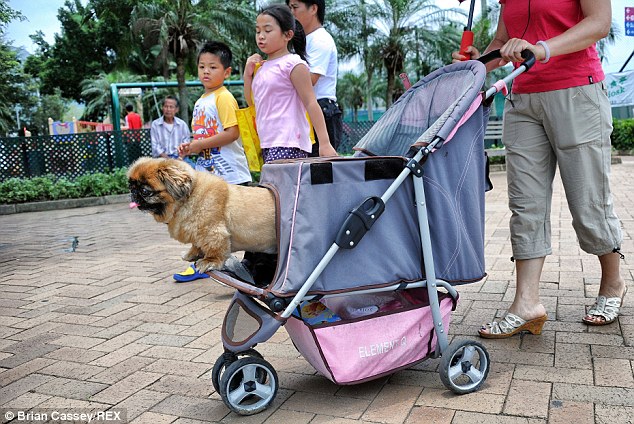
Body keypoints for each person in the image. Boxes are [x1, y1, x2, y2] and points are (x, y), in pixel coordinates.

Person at [452, 0, 626, 338]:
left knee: (589, 202)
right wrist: (479, 63)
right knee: (525, 205)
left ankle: (612, 284)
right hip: (524, 99)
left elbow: (599, 23)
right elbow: (504, 43)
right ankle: (527, 302)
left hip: (577, 92)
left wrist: (541, 49)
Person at [173, 41, 252, 283]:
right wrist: (191, 147)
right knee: (202, 217)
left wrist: (199, 145)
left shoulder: (224, 98)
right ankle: (205, 261)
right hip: (207, 173)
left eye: (213, 67)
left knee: (238, 221)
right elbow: (203, 136)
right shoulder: (201, 101)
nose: (206, 71)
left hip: (230, 174)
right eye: (202, 66)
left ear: (227, 72)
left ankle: (244, 265)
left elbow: (232, 133)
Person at [243, 3, 337, 162]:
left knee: (287, 186)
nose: (261, 36)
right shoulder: (261, 67)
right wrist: (247, 74)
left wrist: (325, 143)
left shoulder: (293, 64)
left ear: (288, 35)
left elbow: (311, 103)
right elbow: (252, 101)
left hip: (289, 142)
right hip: (267, 142)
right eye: (258, 31)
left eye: (267, 30)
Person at [287, 0, 343, 156]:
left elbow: (310, 80)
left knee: (318, 174)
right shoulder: (301, 41)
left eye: (295, 7)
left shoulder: (320, 40)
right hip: (308, 110)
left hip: (322, 110)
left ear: (313, 8)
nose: (291, 13)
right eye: (289, 7)